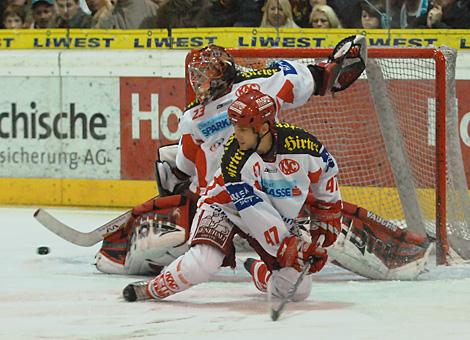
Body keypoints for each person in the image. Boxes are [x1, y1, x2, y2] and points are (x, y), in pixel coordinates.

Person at [95, 35, 368, 276]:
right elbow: (318, 78)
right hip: (263, 190)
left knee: (172, 171)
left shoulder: (194, 117)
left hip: (226, 198)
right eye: (197, 79)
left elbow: (183, 167)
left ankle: (158, 240)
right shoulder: (268, 82)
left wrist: (177, 186)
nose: (200, 85)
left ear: (222, 74)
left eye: (205, 78)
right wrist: (334, 67)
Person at [122, 89, 338, 302]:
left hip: (272, 213)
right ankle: (149, 289)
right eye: (235, 126)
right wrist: (287, 247)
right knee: (202, 265)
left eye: (243, 129)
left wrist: (328, 210)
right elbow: (255, 211)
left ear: (263, 128)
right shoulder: (236, 160)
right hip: (223, 207)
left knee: (297, 290)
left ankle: (259, 271)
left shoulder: (304, 146)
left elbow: (328, 170)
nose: (236, 134)